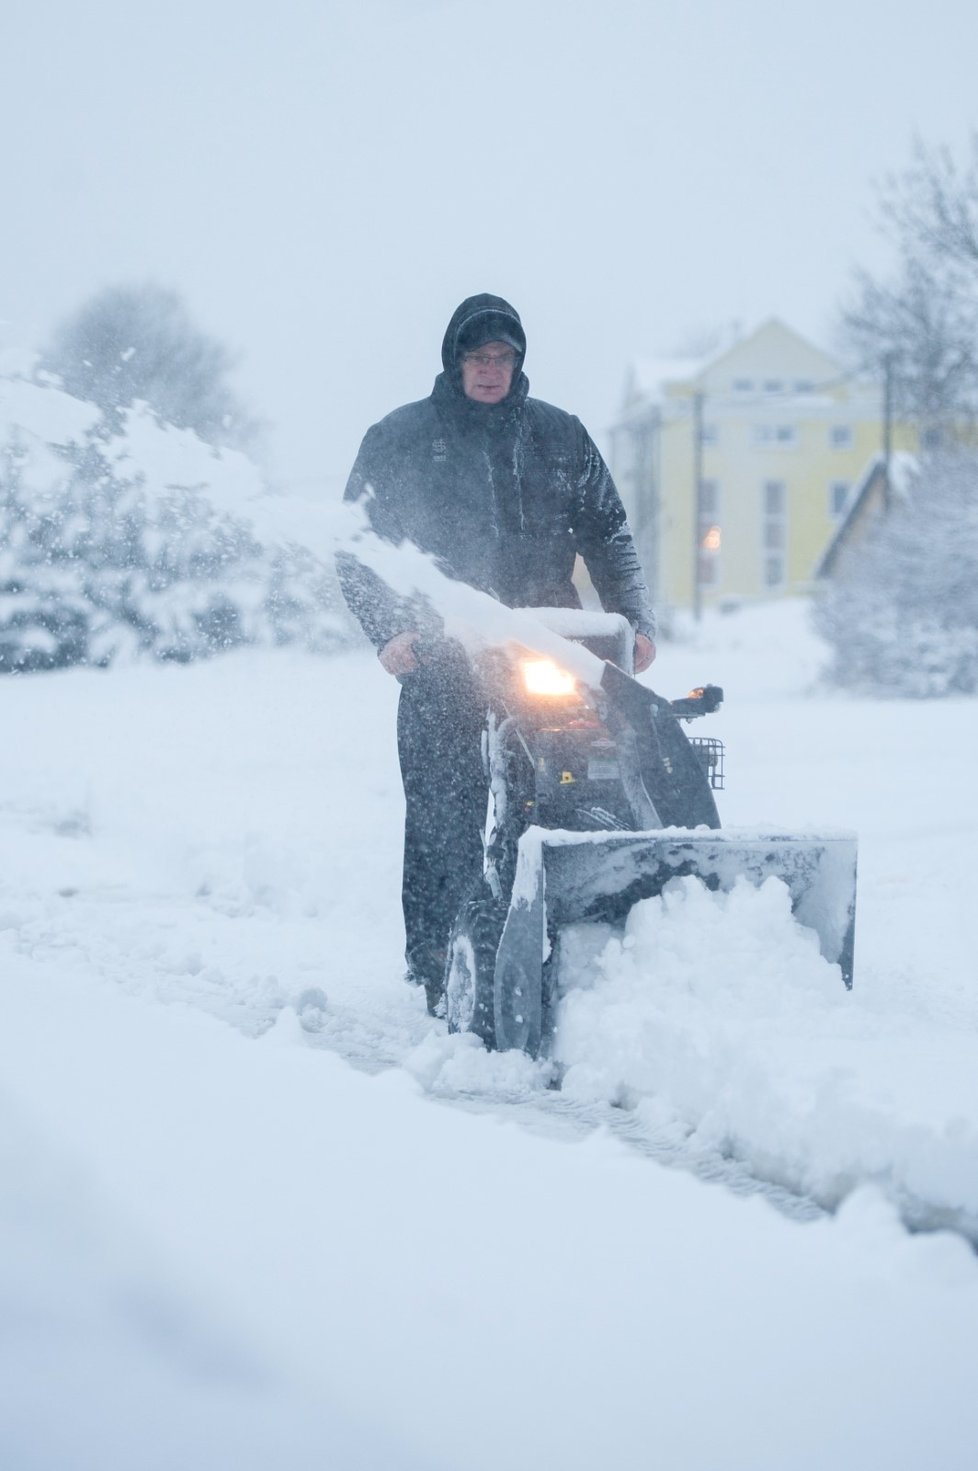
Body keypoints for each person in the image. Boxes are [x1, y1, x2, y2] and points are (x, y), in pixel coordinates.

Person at [338, 293, 656, 1015]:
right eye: (478, 356)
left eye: (503, 357)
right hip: (442, 651)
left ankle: (571, 937)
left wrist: (632, 620)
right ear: (455, 361)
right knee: (444, 810)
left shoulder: (559, 437)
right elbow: (354, 547)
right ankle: (438, 964)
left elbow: (608, 532)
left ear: (519, 362)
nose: (491, 369)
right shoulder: (401, 438)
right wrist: (390, 630)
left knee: (573, 785)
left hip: (548, 647)